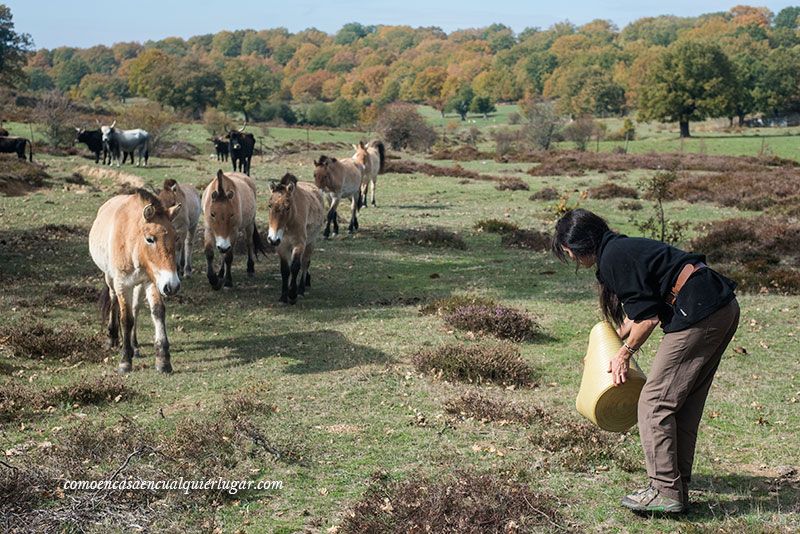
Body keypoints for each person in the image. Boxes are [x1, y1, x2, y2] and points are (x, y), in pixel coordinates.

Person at [552, 209, 740, 514]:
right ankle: (676, 486)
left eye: (568, 252)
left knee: (653, 403)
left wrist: (624, 353)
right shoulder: (617, 248)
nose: (570, 258)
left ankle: (664, 491)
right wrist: (608, 342)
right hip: (719, 305)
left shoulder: (613, 256)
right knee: (683, 403)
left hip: (699, 310)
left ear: (577, 246)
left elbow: (648, 320)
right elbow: (638, 312)